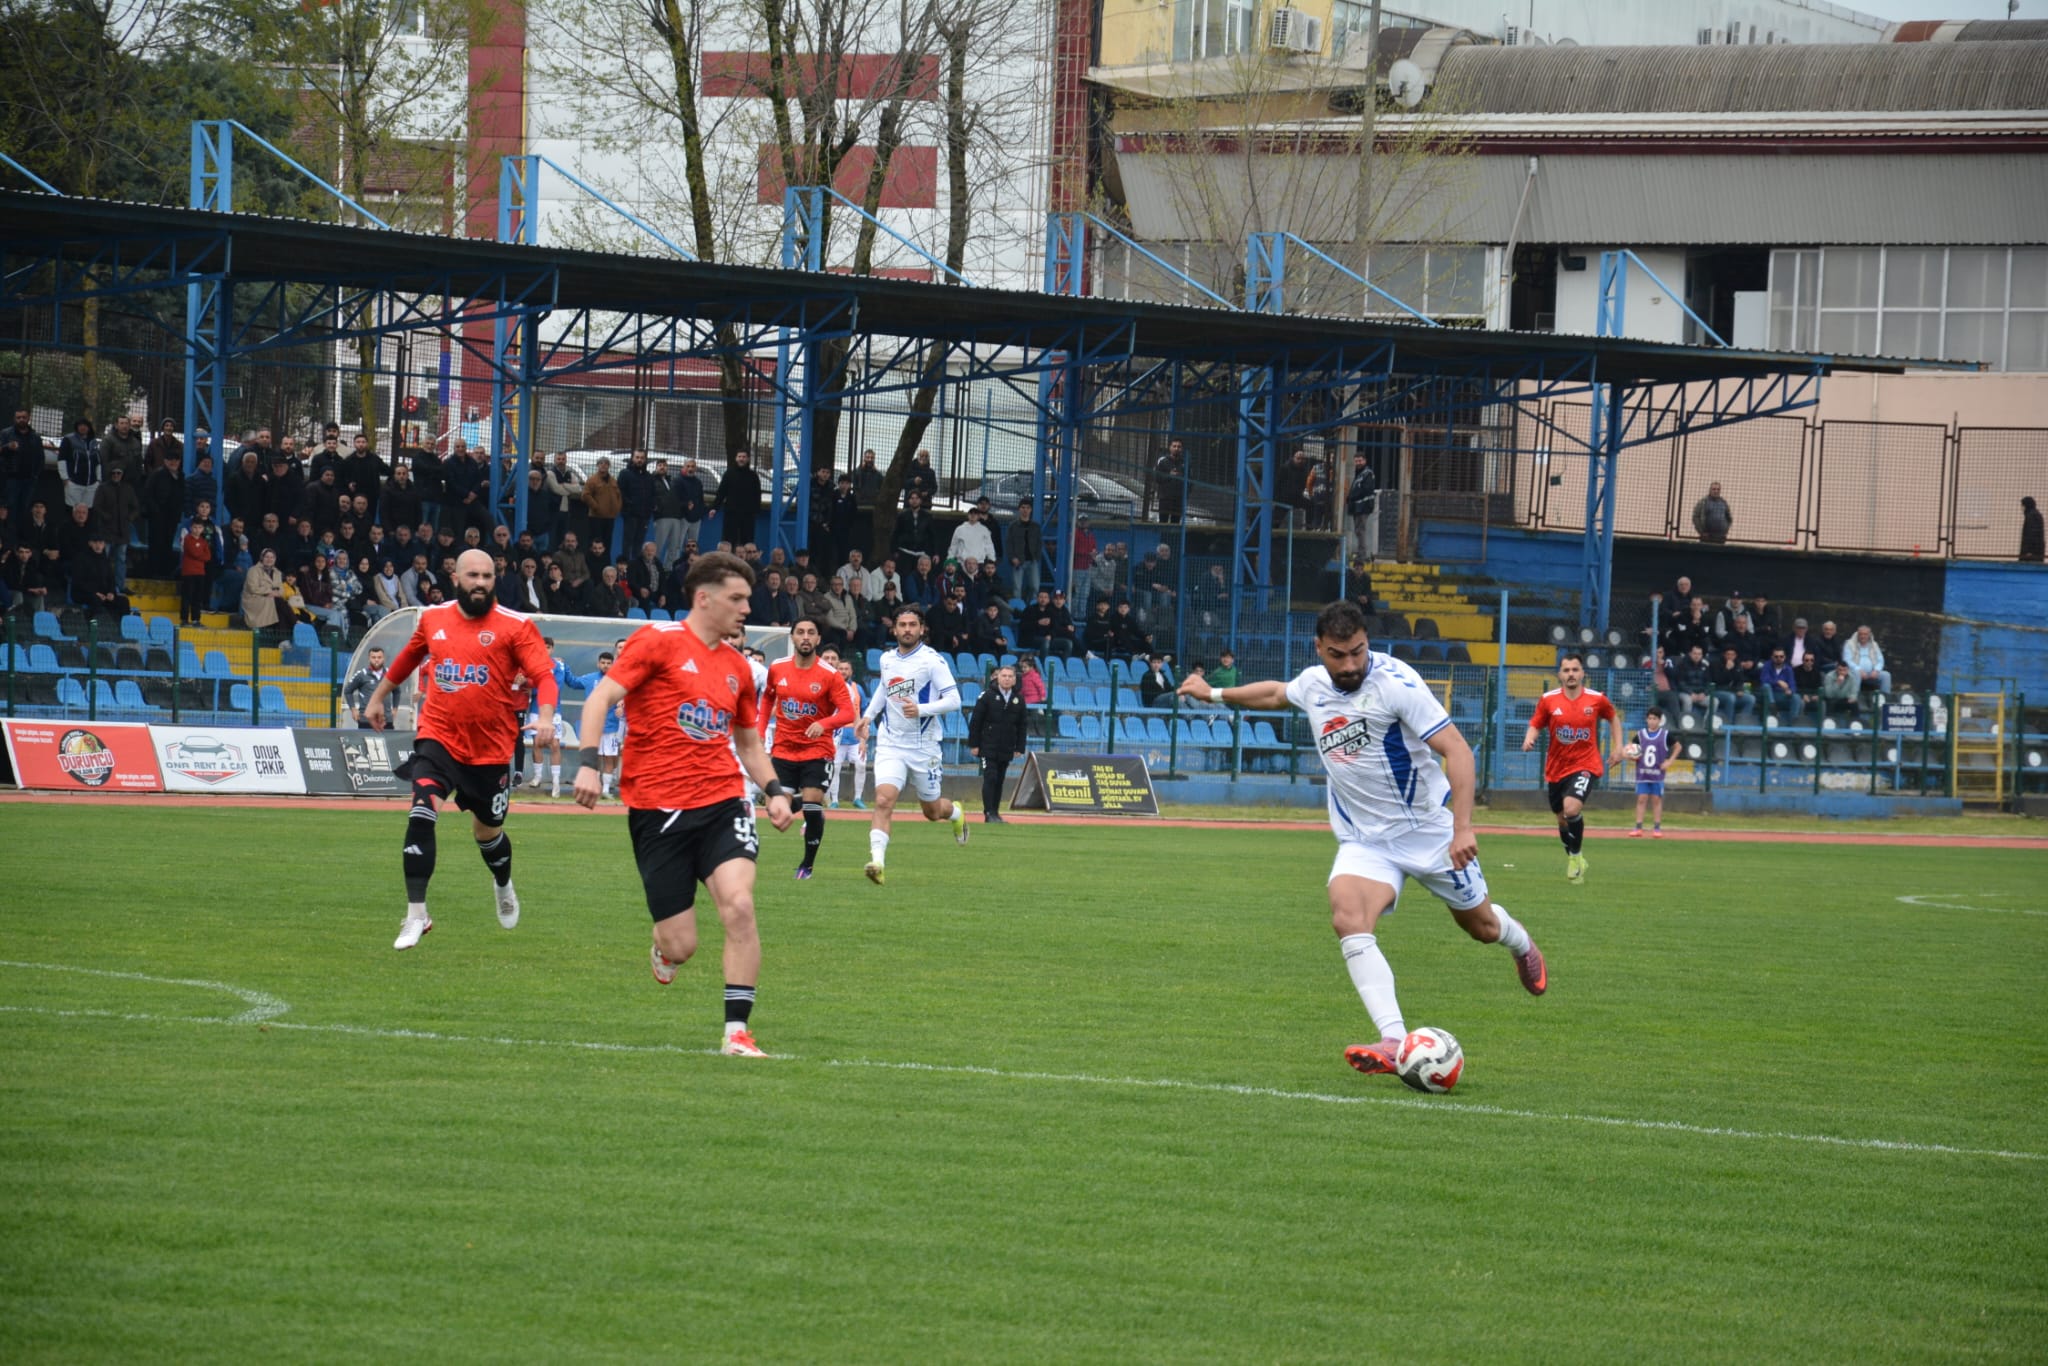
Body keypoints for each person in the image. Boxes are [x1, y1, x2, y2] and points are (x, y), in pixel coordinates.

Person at [1179, 600, 1547, 1077]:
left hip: (1429, 832)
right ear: (1319, 649)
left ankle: (1521, 945)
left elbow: (1457, 749)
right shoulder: (1314, 683)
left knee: (1481, 928)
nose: (1350, 665)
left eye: (1357, 652)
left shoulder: (1396, 684)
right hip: (1365, 838)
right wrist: (1213, 695)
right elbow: (1275, 694)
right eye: (1338, 655)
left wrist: (1463, 827)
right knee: (1347, 915)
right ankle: (1394, 1040)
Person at [572, 551, 794, 1058]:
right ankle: (663, 948)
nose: (746, 608)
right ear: (704, 597)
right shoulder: (656, 642)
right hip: (657, 810)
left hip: (723, 800)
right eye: (736, 598)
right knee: (682, 945)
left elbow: (748, 742)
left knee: (739, 906)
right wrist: (588, 762)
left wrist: (774, 791)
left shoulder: (739, 667)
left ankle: (736, 1033)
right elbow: (600, 699)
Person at [364, 548, 557, 950]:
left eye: (488, 576)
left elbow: (544, 676)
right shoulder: (433, 618)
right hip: (438, 737)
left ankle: (503, 883)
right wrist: (378, 696)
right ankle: (417, 913)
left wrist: (547, 716)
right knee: (421, 810)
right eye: (474, 575)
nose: (482, 583)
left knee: (488, 834)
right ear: (456, 578)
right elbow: (407, 659)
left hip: (489, 751)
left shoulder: (516, 626)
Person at [857, 603, 969, 882]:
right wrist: (868, 716)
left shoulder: (932, 661)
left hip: (924, 746)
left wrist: (921, 709)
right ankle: (877, 863)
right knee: (883, 800)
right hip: (891, 742)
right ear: (894, 629)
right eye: (902, 625)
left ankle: (955, 813)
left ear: (922, 629)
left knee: (931, 811)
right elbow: (884, 689)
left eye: (912, 625)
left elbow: (954, 700)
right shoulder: (886, 660)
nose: (907, 630)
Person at [762, 618, 857, 878]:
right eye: (800, 632)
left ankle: (807, 865)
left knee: (812, 806)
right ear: (792, 637)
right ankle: (811, 802)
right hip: (783, 749)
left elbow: (847, 711)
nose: (805, 637)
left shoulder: (829, 674)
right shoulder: (777, 668)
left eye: (811, 633)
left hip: (817, 750)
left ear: (817, 640)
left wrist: (823, 723)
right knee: (774, 812)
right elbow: (768, 697)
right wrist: (759, 732)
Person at [1523, 652, 1622, 882]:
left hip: (1585, 764)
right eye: (1566, 670)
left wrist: (1618, 747)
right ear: (1559, 674)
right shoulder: (1548, 699)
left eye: (1575, 670)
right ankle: (1574, 857)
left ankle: (1575, 856)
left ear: (1582, 673)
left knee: (1571, 809)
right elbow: (1535, 723)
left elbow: (1613, 717)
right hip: (1557, 768)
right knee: (1561, 819)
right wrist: (1529, 738)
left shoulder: (1596, 699)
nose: (1571, 674)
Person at [968, 663, 1027, 822]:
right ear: (997, 677)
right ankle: (988, 813)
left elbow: (1022, 725)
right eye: (1004, 676)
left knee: (1000, 780)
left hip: (1006, 747)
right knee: (991, 777)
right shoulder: (986, 696)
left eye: (1010, 676)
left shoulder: (1018, 700)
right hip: (988, 746)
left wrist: (1019, 747)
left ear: (1015, 680)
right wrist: (974, 744)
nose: (1007, 679)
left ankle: (995, 812)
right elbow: (975, 722)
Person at [824, 650, 868, 809]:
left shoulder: (857, 688)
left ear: (851, 671)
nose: (843, 671)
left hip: (854, 735)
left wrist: (863, 738)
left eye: (846, 669)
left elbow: (862, 713)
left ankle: (858, 798)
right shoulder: (831, 686)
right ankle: (834, 799)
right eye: (840, 668)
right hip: (837, 735)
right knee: (835, 767)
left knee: (861, 765)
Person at [1628, 707, 1672, 838]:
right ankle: (1638, 827)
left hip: (1657, 774)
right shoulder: (1641, 735)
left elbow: (1678, 746)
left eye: (1655, 719)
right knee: (1641, 799)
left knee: (1656, 800)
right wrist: (1631, 755)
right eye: (1650, 719)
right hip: (1642, 774)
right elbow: (1631, 748)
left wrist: (1670, 761)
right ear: (1646, 720)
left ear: (1659, 720)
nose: (1652, 721)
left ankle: (1657, 828)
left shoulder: (1665, 735)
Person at [178, 502, 217, 625]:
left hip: (200, 572)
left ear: (202, 529)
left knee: (197, 597)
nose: (197, 530)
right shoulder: (188, 539)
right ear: (191, 527)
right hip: (188, 572)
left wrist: (200, 555)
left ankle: (196, 619)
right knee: (187, 596)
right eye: (195, 527)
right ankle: (184, 619)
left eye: (199, 528)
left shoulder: (203, 541)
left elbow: (208, 556)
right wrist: (201, 555)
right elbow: (194, 552)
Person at [713, 449, 762, 548]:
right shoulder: (729, 474)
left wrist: (756, 509)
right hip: (731, 513)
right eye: (739, 457)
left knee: (747, 540)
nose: (741, 459)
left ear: (748, 459)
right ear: (736, 458)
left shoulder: (753, 476)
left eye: (744, 457)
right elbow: (721, 492)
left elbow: (757, 494)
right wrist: (714, 507)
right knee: (729, 540)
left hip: (747, 514)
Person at [1344, 453, 1380, 563]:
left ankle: (1362, 555)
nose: (1358, 463)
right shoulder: (1360, 474)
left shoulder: (1367, 473)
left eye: (1360, 461)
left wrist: (1352, 497)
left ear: (1365, 461)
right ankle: (1362, 553)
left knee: (1360, 531)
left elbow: (1366, 490)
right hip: (1358, 507)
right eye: (1356, 461)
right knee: (1359, 531)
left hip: (1363, 507)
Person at [1841, 625, 1891, 699]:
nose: (1863, 636)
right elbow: (1846, 660)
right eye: (1861, 634)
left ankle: (1884, 701)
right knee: (1856, 674)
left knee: (1886, 675)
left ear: (1869, 635)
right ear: (1858, 634)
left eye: (1865, 634)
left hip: (1871, 673)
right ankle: (1854, 700)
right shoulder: (1849, 644)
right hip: (1854, 672)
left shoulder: (1874, 645)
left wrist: (1876, 670)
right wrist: (1859, 669)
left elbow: (1881, 660)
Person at [345, 647, 388, 728]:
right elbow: (348, 691)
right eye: (373, 657)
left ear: (383, 658)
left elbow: (397, 691)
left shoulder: (389, 674)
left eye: (379, 657)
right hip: (366, 720)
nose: (376, 660)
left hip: (385, 719)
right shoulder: (362, 674)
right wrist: (353, 709)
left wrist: (395, 709)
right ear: (369, 658)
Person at [2022, 496, 2045, 563]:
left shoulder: (2032, 516)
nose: (2022, 508)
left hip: (2032, 553)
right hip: (2037, 552)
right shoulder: (2035, 515)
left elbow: (2031, 534)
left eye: (2022, 505)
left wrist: (2029, 551)